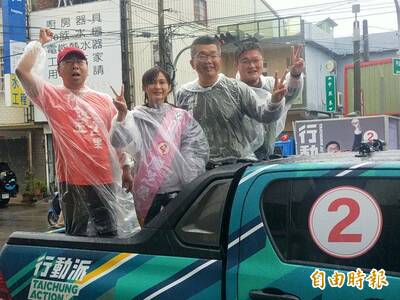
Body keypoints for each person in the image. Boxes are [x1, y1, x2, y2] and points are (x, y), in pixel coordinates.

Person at [15, 28, 133, 237]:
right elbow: (22, 71)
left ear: (88, 68)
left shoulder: (104, 100)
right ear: (59, 71)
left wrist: (125, 167)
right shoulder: (51, 97)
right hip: (71, 181)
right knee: (76, 235)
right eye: (68, 62)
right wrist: (40, 43)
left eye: (80, 62)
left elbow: (117, 139)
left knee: (109, 234)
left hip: (104, 177)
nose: (75, 66)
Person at [110, 67, 209, 226]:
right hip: (148, 191)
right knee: (151, 237)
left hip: (178, 189)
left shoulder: (181, 116)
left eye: (162, 82)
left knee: (177, 234)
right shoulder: (135, 117)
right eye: (152, 82)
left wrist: (190, 179)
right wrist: (122, 114)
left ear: (169, 87)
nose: (157, 86)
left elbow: (196, 148)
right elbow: (118, 141)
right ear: (144, 87)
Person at [176, 35, 287, 162]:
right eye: (202, 56)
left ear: (220, 60)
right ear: (192, 63)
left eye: (213, 56)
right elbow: (181, 133)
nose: (208, 61)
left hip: (236, 167)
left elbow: (264, 115)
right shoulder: (184, 94)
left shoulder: (236, 88)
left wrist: (275, 102)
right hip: (201, 170)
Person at [235, 42, 304, 159]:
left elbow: (290, 94)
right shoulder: (232, 90)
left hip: (267, 158)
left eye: (256, 60)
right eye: (245, 61)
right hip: (239, 161)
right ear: (236, 64)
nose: (252, 66)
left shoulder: (272, 84)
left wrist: (295, 74)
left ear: (263, 62)